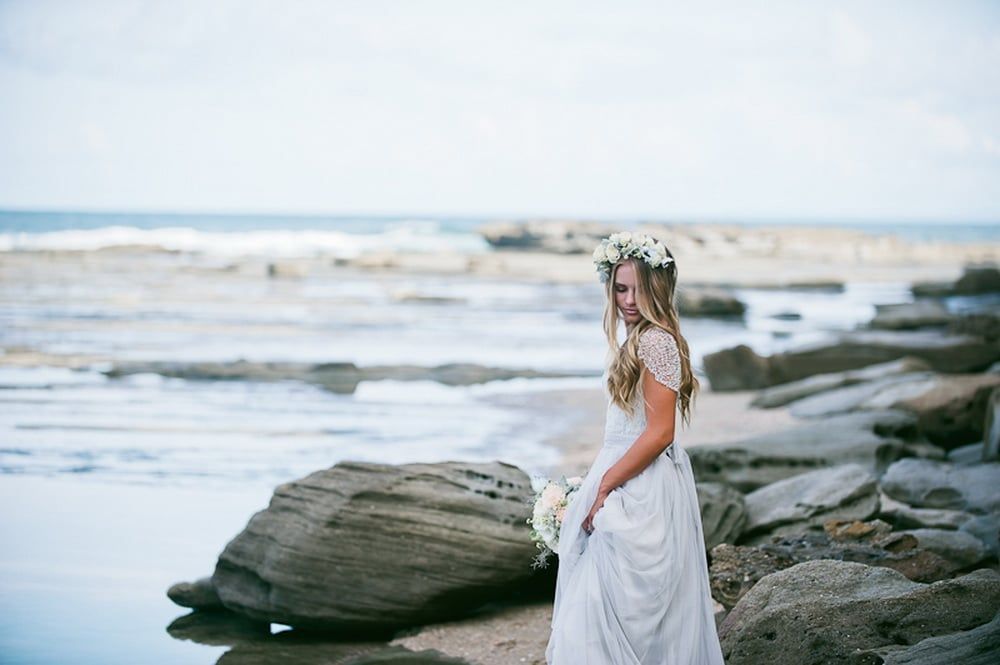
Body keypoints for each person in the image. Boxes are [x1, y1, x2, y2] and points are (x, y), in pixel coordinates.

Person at [545, 232, 725, 664]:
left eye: (639, 289)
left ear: (658, 289)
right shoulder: (635, 340)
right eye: (620, 288)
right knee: (601, 609)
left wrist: (605, 484)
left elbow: (661, 432)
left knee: (613, 609)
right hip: (628, 471)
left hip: (641, 486)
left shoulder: (656, 340)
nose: (628, 299)